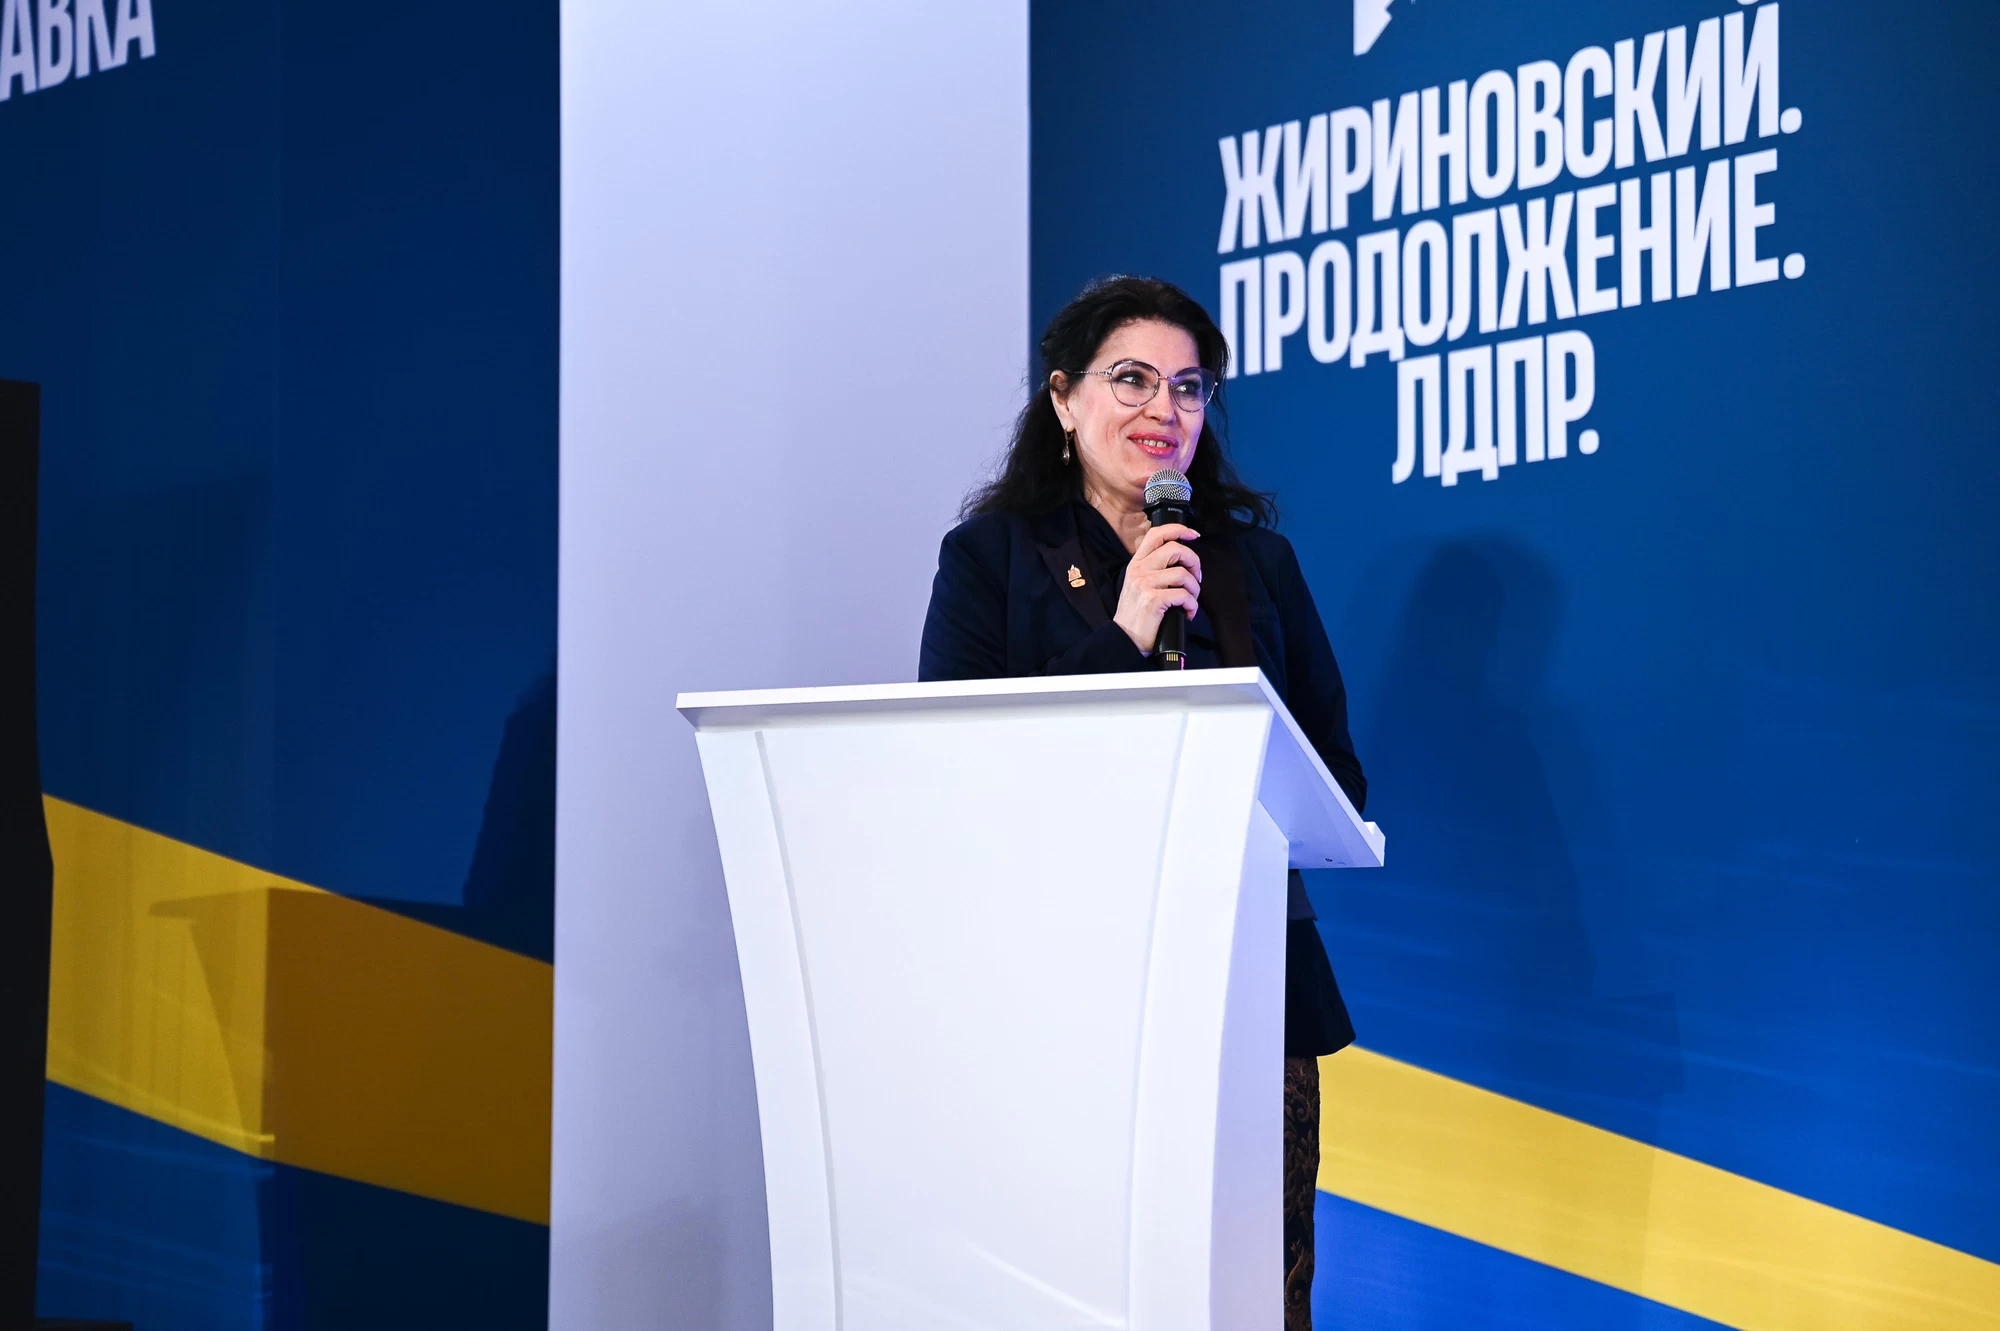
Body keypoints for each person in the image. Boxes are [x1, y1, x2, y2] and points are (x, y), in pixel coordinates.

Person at [918, 275, 1367, 1330]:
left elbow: (1334, 778)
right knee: (1077, 1281)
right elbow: (952, 768)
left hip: (1247, 978)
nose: (1164, 409)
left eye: (1189, 387)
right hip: (1056, 979)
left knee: (1256, 1284)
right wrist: (1121, 635)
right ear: (1063, 399)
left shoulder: (1255, 564)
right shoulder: (989, 559)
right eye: (1132, 379)